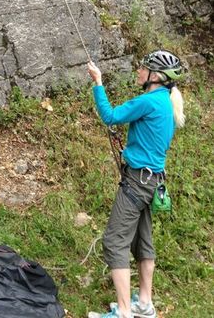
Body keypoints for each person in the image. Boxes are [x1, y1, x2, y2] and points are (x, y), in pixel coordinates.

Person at [86, 50, 185, 318]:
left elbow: (110, 116)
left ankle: (124, 312)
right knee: (142, 241)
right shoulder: (166, 102)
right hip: (152, 182)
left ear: (156, 76)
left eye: (144, 67)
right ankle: (144, 303)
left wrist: (98, 82)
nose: (139, 70)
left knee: (114, 241)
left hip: (137, 182)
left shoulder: (149, 101)